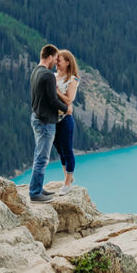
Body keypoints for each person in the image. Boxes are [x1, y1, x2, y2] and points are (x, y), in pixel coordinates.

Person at [28, 44, 68, 202]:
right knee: (42, 158)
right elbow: (52, 100)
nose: (55, 63)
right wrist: (66, 108)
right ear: (50, 57)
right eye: (55, 59)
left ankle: (37, 187)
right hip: (46, 122)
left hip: (36, 118)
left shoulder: (35, 72)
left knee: (38, 155)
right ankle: (35, 193)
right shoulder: (48, 75)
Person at [53, 50, 80, 187]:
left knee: (68, 150)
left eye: (59, 60)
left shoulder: (72, 80)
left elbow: (69, 100)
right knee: (60, 150)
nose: (56, 62)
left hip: (65, 118)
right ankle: (67, 176)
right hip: (52, 118)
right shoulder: (53, 76)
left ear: (68, 62)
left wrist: (56, 91)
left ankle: (68, 183)